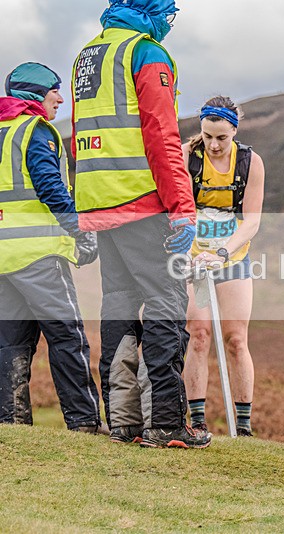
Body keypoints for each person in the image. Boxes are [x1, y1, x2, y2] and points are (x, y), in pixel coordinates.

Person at [71, 0, 210, 448]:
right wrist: (182, 208)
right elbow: (162, 133)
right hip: (144, 202)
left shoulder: (88, 55)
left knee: (118, 308)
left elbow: (83, 132)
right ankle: (166, 423)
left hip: (100, 205)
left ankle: (125, 422)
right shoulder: (146, 52)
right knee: (167, 303)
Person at [0, 62, 104, 433]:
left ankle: (11, 424)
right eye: (54, 90)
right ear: (35, 95)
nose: (60, 98)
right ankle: (84, 424)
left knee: (10, 343)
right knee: (67, 336)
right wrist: (81, 230)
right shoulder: (35, 130)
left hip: (3, 259)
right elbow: (51, 187)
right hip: (39, 254)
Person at [181, 96, 265, 437]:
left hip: (233, 257)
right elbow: (178, 212)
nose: (214, 145)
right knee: (198, 334)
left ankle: (243, 426)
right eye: (207, 136)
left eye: (221, 137)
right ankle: (198, 421)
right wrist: (195, 254)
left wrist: (222, 253)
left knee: (235, 339)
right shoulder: (189, 157)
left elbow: (252, 221)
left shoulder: (250, 162)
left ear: (234, 131)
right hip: (191, 258)